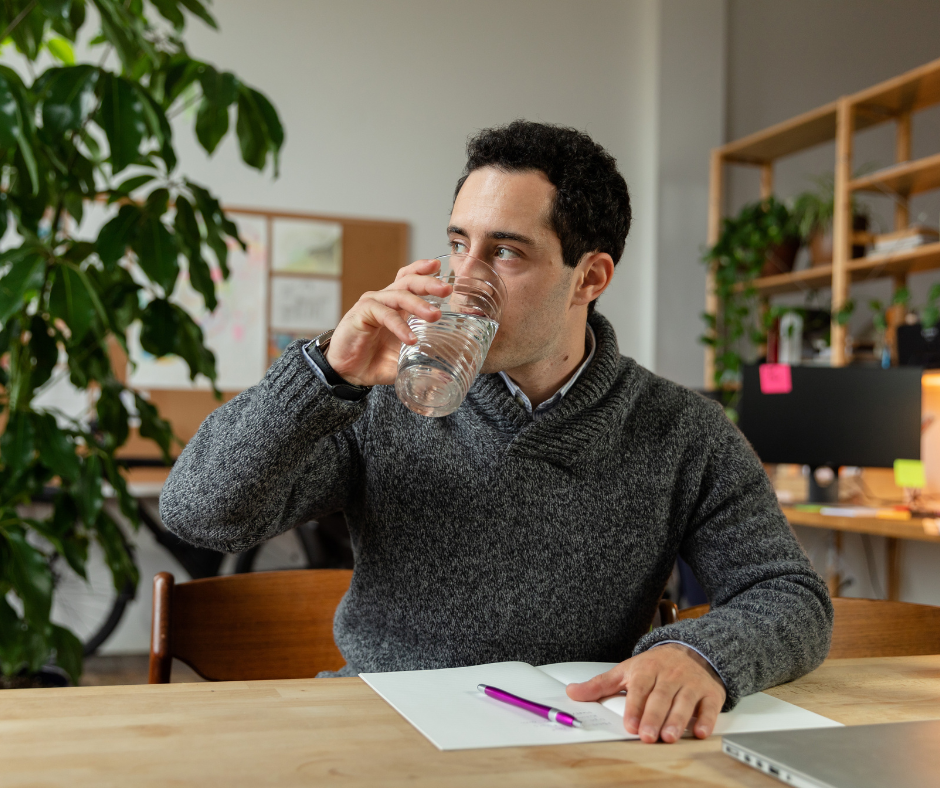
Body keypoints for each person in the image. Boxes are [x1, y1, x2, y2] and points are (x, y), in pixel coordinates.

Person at [160, 120, 832, 745]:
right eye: (457, 244)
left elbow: (787, 590)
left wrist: (701, 654)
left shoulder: (681, 430)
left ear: (589, 277)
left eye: (505, 252)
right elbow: (198, 514)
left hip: (572, 737)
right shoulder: (374, 398)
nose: (463, 280)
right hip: (385, 728)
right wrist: (322, 377)